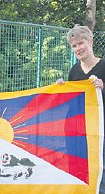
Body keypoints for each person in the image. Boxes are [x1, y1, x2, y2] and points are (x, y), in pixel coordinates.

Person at [57, 24, 105, 194]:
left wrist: (103, 87)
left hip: (99, 130)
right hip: (77, 129)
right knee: (77, 168)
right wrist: (61, 90)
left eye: (81, 43)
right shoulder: (74, 71)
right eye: (74, 46)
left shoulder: (103, 66)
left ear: (90, 41)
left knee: (100, 168)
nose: (78, 48)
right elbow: (71, 102)